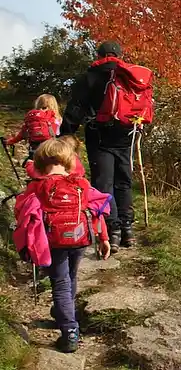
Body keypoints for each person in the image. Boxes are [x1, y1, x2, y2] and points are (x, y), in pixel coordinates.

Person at [12, 139, 111, 353]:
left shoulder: (37, 186)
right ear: (69, 160)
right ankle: (62, 313)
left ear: (40, 161)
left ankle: (69, 330)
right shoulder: (81, 184)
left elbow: (21, 211)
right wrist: (104, 237)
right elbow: (97, 209)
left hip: (53, 241)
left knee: (60, 283)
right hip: (80, 238)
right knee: (70, 278)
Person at [60, 41, 142, 252]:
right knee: (124, 182)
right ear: (119, 55)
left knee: (104, 183)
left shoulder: (90, 77)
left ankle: (113, 230)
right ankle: (128, 229)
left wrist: (66, 134)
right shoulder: (130, 76)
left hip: (99, 136)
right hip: (126, 136)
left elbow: (76, 108)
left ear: (99, 55)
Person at [2, 94, 62, 164]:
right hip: (51, 150)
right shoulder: (57, 119)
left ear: (38, 103)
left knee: (33, 165)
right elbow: (61, 135)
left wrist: (10, 141)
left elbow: (22, 134)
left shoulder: (32, 118)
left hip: (34, 150)